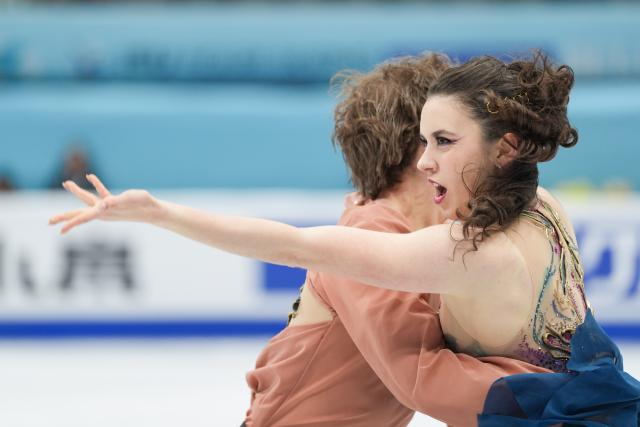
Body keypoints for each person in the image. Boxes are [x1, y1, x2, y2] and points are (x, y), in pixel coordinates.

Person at [50, 53, 640, 425]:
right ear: (407, 151)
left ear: (503, 147)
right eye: (426, 141)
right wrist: (569, 400)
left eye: (444, 140)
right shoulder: (435, 237)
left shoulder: (485, 228)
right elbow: (421, 375)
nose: (431, 159)